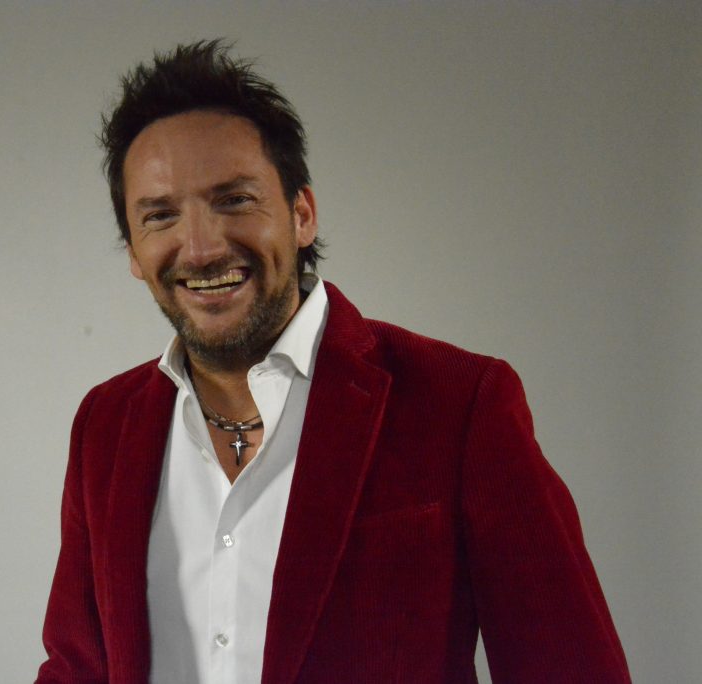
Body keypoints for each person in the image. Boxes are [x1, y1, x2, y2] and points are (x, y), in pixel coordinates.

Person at [37, 40, 630, 684]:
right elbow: (75, 669)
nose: (201, 248)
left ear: (302, 215)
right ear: (133, 249)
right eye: (160, 216)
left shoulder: (460, 405)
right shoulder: (105, 425)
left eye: (234, 200)